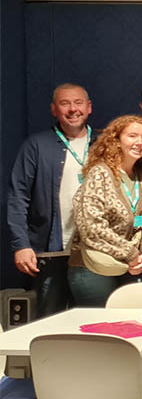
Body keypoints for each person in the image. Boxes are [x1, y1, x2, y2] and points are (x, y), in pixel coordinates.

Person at [8, 83, 94, 316]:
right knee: (51, 322)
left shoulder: (104, 145)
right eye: (65, 103)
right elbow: (18, 197)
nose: (72, 109)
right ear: (54, 109)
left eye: (78, 103)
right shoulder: (36, 145)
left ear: (89, 108)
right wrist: (21, 245)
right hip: (50, 253)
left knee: (95, 323)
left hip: (95, 252)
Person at [67, 115, 142, 307]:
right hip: (94, 268)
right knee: (100, 332)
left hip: (130, 266)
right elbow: (91, 227)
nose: (140, 142)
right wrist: (130, 253)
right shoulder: (100, 173)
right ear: (116, 141)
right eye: (133, 136)